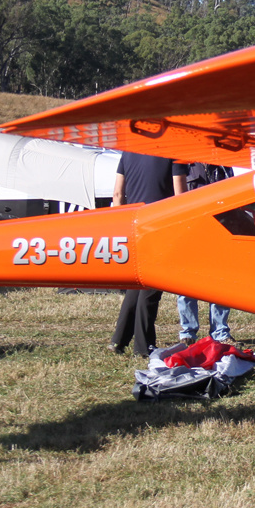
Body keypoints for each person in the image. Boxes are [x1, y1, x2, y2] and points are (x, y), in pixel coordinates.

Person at [108, 151, 176, 357]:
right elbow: (181, 196)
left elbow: (118, 194)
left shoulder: (127, 154)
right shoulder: (174, 155)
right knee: (152, 287)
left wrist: (121, 225)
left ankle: (118, 340)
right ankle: (143, 345)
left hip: (133, 224)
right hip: (159, 225)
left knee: (137, 286)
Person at [173, 162, 234, 344]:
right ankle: (188, 332)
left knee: (220, 280)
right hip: (191, 230)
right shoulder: (183, 165)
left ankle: (220, 331)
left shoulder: (224, 165)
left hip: (219, 228)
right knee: (186, 282)